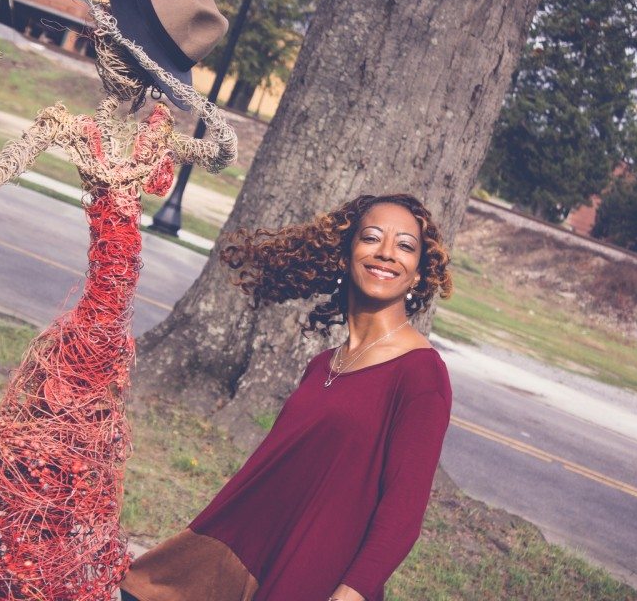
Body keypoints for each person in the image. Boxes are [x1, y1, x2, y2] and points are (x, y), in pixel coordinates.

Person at [119, 193, 454, 601]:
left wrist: (351, 593)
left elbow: (403, 513)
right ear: (345, 255)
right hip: (262, 560)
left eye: (405, 246)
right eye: (371, 238)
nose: (386, 253)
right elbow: (269, 482)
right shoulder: (323, 365)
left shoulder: (420, 374)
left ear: (418, 274)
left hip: (324, 581)